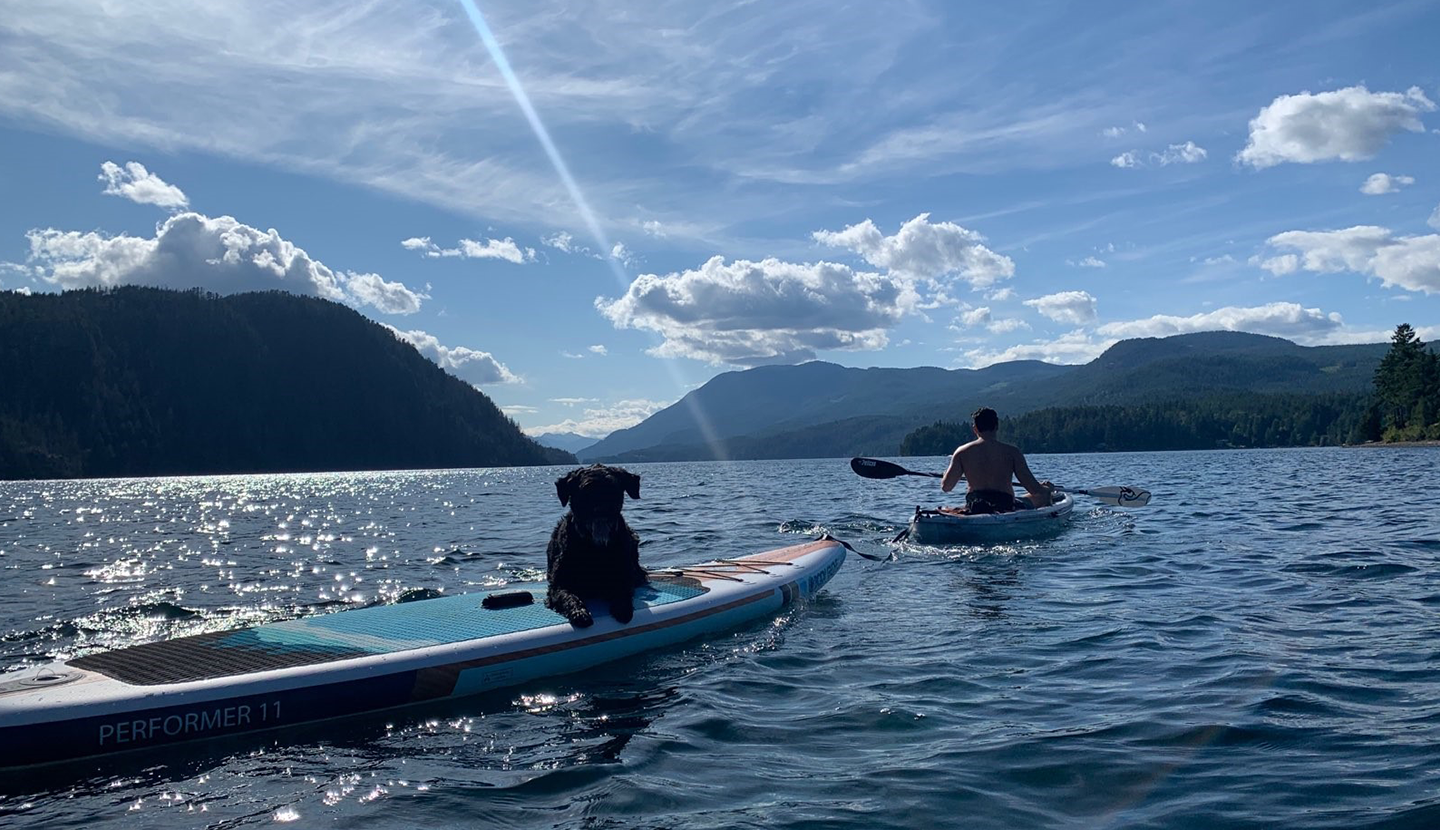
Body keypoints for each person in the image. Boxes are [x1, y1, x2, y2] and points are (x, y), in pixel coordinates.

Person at [939, 407, 1053, 514]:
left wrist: (945, 476)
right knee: (1044, 496)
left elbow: (946, 487)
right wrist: (1047, 488)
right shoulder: (1012, 452)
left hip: (975, 506)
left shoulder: (962, 452)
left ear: (975, 429)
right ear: (996, 426)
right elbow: (1034, 490)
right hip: (1005, 506)